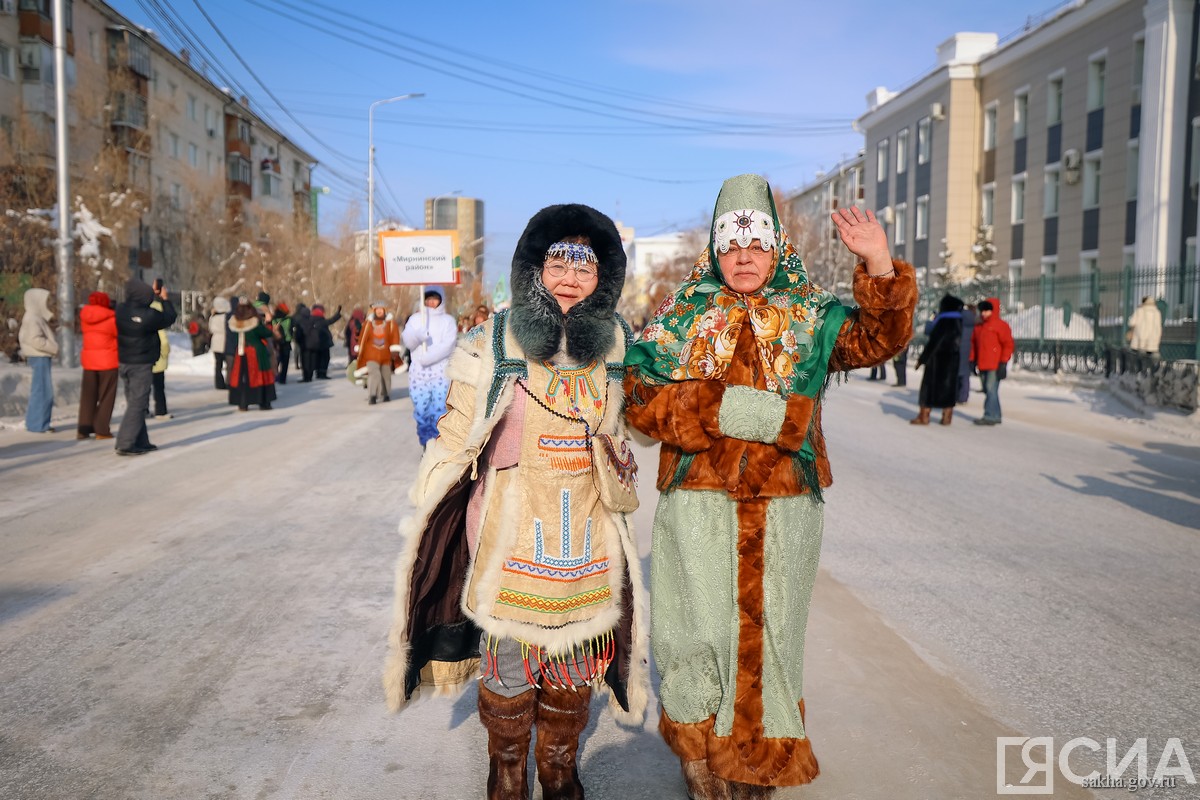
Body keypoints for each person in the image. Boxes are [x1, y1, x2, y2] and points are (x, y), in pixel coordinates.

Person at [623, 174, 916, 800]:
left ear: (777, 246)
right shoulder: (684, 315)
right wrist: (731, 410)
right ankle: (700, 752)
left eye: (756, 243)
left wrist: (878, 261)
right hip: (697, 498)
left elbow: (881, 339)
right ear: (715, 249)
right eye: (732, 246)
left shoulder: (812, 314)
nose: (745, 257)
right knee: (694, 630)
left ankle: (755, 757)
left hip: (785, 505)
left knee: (773, 632)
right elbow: (639, 399)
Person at [384, 204, 648, 800]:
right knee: (508, 658)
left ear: (604, 276)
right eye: (560, 260)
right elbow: (455, 432)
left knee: (577, 657)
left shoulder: (618, 343)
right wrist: (430, 506)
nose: (572, 277)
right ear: (537, 267)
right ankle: (507, 770)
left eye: (587, 265)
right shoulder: (493, 338)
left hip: (587, 529)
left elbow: (644, 425)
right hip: (509, 524)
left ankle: (558, 766)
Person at [115, 278, 176, 456]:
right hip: (141, 364)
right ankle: (125, 442)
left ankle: (140, 440)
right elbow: (169, 317)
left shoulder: (121, 310)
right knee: (138, 403)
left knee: (135, 402)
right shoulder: (148, 315)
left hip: (124, 362)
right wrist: (164, 299)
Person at [401, 287, 457, 447]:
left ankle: (438, 444)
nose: (431, 302)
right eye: (428, 298)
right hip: (418, 375)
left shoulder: (448, 321)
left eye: (435, 298)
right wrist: (417, 335)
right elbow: (408, 341)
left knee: (439, 410)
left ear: (441, 299)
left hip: (440, 374)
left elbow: (448, 345)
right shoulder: (416, 319)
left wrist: (428, 358)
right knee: (421, 410)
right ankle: (426, 443)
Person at [911, 294, 964, 426]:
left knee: (928, 388)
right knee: (949, 387)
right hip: (953, 358)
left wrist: (922, 359)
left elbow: (934, 342)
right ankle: (947, 417)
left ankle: (924, 417)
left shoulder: (943, 321)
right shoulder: (959, 321)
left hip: (937, 359)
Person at [77, 291, 119, 440]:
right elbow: (118, 335)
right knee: (106, 396)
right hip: (108, 361)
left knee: (88, 396)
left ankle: (84, 428)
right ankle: (101, 429)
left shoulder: (85, 317)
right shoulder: (111, 318)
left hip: (89, 361)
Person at [18, 287, 58, 434]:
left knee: (41, 391)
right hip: (39, 356)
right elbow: (35, 340)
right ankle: (38, 424)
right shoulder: (32, 318)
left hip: (40, 357)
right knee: (42, 392)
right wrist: (53, 347)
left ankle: (37, 423)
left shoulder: (34, 317)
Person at [970, 297, 1014, 426]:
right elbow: (974, 344)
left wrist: (1004, 362)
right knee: (988, 390)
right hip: (982, 363)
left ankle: (990, 415)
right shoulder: (979, 326)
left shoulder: (1001, 326)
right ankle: (996, 414)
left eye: (987, 310)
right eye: (982, 310)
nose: (984, 313)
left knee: (991, 390)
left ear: (993, 310)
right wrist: (972, 360)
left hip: (995, 364)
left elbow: (1008, 344)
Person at [227, 301, 277, 412]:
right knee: (260, 376)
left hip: (240, 353)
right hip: (256, 352)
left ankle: (242, 403)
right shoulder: (254, 323)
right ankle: (264, 402)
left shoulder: (234, 324)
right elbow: (267, 333)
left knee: (242, 377)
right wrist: (268, 322)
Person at [355, 301, 401, 404]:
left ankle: (386, 394)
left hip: (386, 354)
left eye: (381, 309)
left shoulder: (391, 323)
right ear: (374, 311)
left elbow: (395, 336)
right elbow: (363, 337)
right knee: (374, 374)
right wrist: (360, 350)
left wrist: (395, 350)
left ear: (384, 310)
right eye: (377, 309)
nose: (379, 311)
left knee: (386, 375)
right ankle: (372, 395)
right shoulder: (368, 323)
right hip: (371, 354)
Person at [150, 291, 172, 419]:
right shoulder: (159, 328)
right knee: (159, 387)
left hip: (145, 359)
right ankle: (161, 410)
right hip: (158, 359)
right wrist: (165, 353)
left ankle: (144, 409)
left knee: (144, 387)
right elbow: (164, 343)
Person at [209, 297, 231, 390]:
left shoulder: (213, 317)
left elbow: (210, 329)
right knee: (229, 364)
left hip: (215, 342)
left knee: (218, 365)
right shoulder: (227, 317)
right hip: (225, 341)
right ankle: (229, 382)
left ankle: (219, 383)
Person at [274, 302, 294, 384]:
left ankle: (274, 377)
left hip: (276, 343)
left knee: (276, 361)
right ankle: (283, 379)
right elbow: (291, 330)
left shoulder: (273, 319)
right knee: (285, 363)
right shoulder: (289, 319)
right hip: (286, 342)